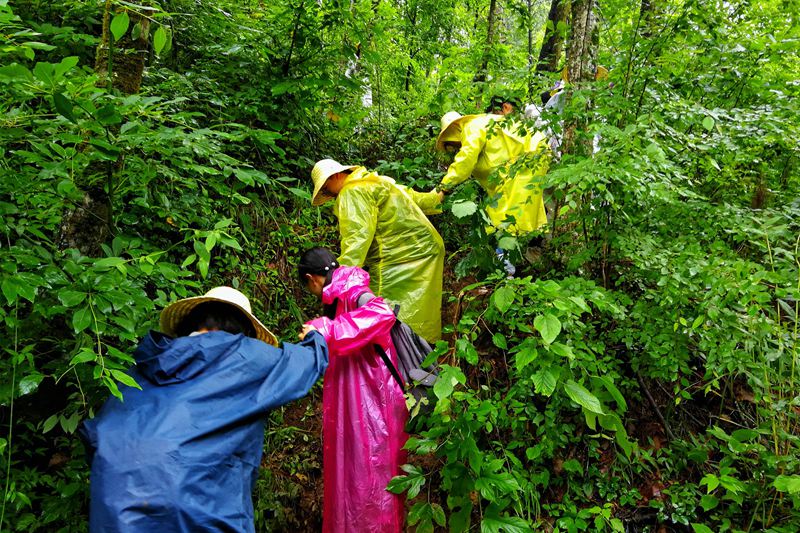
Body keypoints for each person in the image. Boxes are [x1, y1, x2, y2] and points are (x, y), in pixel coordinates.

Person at [80, 286, 328, 533]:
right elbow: (305, 365)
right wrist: (315, 336)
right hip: (197, 506)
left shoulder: (143, 368)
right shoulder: (247, 356)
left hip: (116, 503)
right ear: (242, 329)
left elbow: (97, 432)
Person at [298, 247, 408, 533]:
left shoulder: (353, 290)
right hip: (360, 397)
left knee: (373, 474)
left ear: (311, 279)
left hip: (375, 398)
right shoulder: (340, 294)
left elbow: (382, 313)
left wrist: (328, 330)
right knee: (356, 473)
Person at [310, 158, 444, 342]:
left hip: (396, 259)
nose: (327, 194)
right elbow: (423, 200)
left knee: (384, 315)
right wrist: (446, 186)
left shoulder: (353, 191)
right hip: (425, 251)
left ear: (336, 175)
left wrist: (337, 282)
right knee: (419, 311)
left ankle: (404, 363)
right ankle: (425, 358)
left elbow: (357, 239)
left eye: (325, 188)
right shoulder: (378, 182)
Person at [434, 106, 552, 237]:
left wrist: (444, 188)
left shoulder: (471, 127)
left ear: (453, 131)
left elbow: (465, 160)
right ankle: (520, 243)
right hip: (526, 159)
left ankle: (512, 246)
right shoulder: (479, 124)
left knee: (511, 214)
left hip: (529, 156)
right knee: (509, 210)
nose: (455, 147)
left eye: (450, 143)